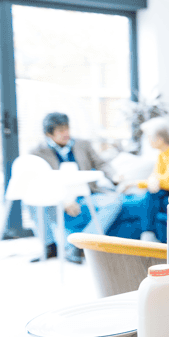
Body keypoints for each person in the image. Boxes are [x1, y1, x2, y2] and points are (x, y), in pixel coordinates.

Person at [29, 112, 117, 264]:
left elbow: (101, 163)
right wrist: (64, 200)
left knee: (114, 201)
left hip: (86, 194)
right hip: (58, 198)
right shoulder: (37, 152)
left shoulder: (83, 144)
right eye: (61, 131)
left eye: (67, 129)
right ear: (49, 134)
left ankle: (81, 245)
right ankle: (50, 246)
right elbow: (40, 183)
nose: (66, 134)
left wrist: (114, 176)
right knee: (31, 202)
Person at [113, 116, 169, 242]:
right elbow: (155, 176)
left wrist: (134, 183)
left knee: (152, 195)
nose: (147, 140)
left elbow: (167, 183)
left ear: (160, 139)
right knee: (153, 194)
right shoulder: (163, 153)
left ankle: (148, 234)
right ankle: (148, 234)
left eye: (149, 137)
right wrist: (151, 181)